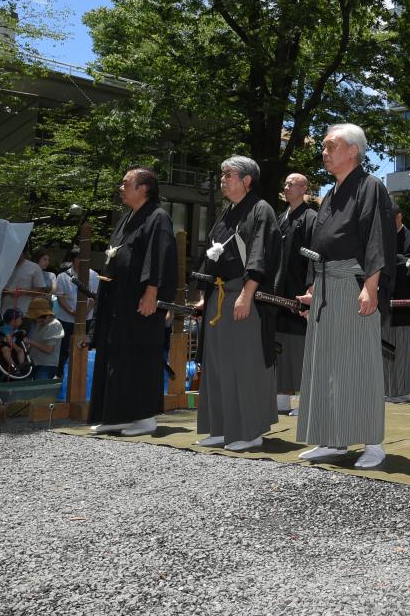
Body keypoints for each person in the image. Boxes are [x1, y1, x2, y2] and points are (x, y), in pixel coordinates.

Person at [294, 124, 394, 469]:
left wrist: (371, 285)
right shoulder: (330, 192)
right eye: (323, 146)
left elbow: (377, 239)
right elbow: (318, 245)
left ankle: (373, 443)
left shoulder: (371, 187)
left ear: (353, 150)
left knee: (359, 364)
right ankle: (333, 438)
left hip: (353, 284)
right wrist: (311, 287)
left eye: (330, 146)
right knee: (327, 365)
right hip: (325, 284)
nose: (324, 152)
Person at [192, 156, 283, 451]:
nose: (223, 179)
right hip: (220, 297)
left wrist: (248, 292)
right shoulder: (226, 213)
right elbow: (211, 254)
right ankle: (220, 427)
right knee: (218, 365)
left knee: (245, 365)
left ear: (247, 180)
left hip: (244, 296)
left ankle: (249, 430)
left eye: (229, 174)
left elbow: (260, 253)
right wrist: (204, 295)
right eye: (222, 174)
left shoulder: (261, 209)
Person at [89, 167, 178, 437]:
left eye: (126, 183)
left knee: (139, 355)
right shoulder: (127, 217)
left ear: (143, 188)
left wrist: (153, 292)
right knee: (114, 354)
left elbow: (160, 256)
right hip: (118, 299)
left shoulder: (158, 217)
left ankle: (144, 417)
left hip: (141, 300)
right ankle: (115, 415)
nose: (121, 187)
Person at [274, 172, 316, 416]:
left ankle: (306, 403)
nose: (287, 186)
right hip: (280, 292)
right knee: (280, 345)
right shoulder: (281, 218)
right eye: (286, 183)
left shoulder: (311, 218)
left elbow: (315, 255)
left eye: (292, 183)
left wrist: (311, 287)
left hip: (300, 291)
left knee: (301, 348)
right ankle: (281, 400)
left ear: (304, 189)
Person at [384, 200, 410, 403]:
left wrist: (393, 259)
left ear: (399, 218)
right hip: (384, 301)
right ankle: (387, 387)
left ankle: (403, 390)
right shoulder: (381, 240)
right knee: (385, 346)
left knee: (405, 348)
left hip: (406, 300)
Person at [53, 249, 99, 374]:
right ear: (73, 260)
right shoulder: (63, 276)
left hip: (87, 318)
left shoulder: (94, 275)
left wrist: (84, 312)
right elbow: (60, 297)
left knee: (85, 347)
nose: (82, 261)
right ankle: (61, 374)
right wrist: (71, 311)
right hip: (66, 319)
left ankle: (83, 373)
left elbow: (94, 297)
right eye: (79, 258)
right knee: (64, 348)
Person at [23, 297, 65, 380]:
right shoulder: (37, 323)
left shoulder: (55, 325)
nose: (33, 318)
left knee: (41, 389)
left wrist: (30, 342)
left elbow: (49, 350)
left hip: (46, 365)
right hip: (33, 362)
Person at [1, 249, 49, 315]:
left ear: (23, 252)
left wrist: (22, 292)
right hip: (4, 312)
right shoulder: (3, 265)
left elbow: (40, 290)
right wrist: (6, 291)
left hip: (25, 313)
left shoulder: (34, 267)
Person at [0, 308, 29, 375]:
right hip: (4, 344)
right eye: (20, 319)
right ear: (13, 321)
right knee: (6, 350)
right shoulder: (5, 328)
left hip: (12, 343)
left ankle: (22, 365)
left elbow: (16, 332)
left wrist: (22, 332)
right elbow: (8, 339)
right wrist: (16, 347)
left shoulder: (13, 328)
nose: (21, 321)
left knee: (21, 350)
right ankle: (12, 366)